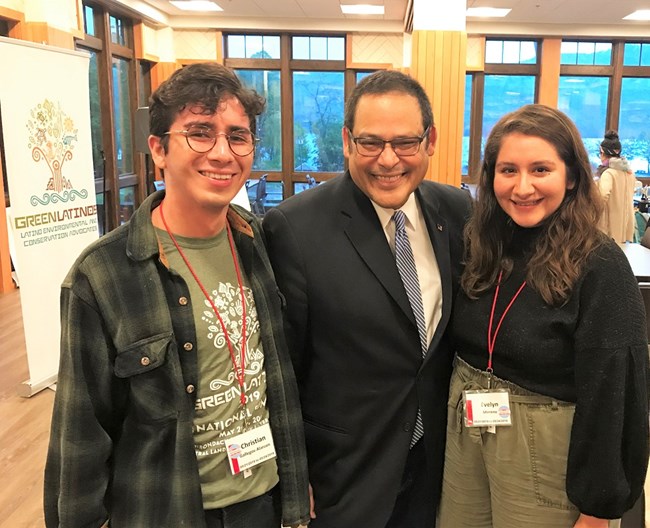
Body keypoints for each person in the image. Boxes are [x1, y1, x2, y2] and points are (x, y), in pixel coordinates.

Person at [44, 62, 310, 528]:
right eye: (200, 133)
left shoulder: (262, 245)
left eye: (238, 136)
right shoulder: (103, 275)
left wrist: (296, 482)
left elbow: (282, 385)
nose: (223, 153)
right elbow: (80, 437)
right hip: (170, 508)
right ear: (158, 150)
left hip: (264, 504)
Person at [263, 70, 472, 527]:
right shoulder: (295, 228)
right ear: (346, 141)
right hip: (344, 473)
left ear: (430, 141)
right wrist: (294, 474)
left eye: (405, 143)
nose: (388, 160)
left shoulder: (456, 213)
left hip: (435, 466)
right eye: (370, 142)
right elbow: (283, 369)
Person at [438, 104, 649, 528]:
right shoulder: (482, 246)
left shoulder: (599, 264)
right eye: (508, 170)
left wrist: (596, 509)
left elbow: (615, 391)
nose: (522, 187)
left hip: (542, 445)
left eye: (540, 170)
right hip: (466, 434)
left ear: (571, 176)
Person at [596, 130, 637, 243]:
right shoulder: (629, 173)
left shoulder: (609, 173)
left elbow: (601, 197)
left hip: (610, 226)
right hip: (626, 224)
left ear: (603, 152)